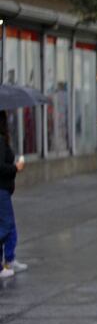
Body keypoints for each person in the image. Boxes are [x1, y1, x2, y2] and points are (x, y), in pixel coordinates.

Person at [0, 111, 26, 279]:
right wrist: (16, 167)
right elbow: (0, 167)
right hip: (1, 190)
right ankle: (7, 262)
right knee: (6, 226)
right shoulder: (0, 141)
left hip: (4, 190)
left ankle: (9, 259)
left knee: (9, 226)